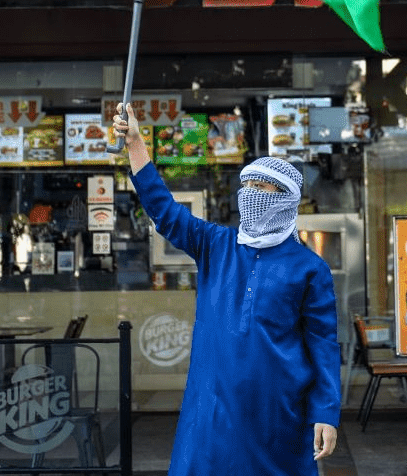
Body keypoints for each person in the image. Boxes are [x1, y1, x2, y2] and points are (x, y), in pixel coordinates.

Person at [113, 103, 340, 475]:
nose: (249, 193)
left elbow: (323, 344)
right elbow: (164, 210)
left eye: (261, 186)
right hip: (213, 407)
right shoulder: (216, 245)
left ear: (285, 198)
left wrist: (327, 412)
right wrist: (136, 143)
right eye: (246, 184)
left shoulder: (309, 268)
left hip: (278, 411)